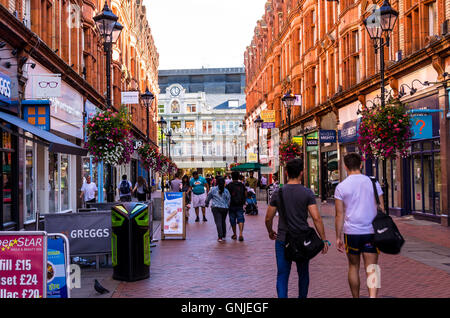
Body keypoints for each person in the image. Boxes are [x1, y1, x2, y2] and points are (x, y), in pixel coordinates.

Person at [265, 158, 329, 298]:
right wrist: (323, 239)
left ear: (286, 173)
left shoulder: (278, 193)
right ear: (302, 172)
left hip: (283, 239)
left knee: (282, 274)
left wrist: (270, 231)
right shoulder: (307, 193)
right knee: (303, 273)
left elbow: (268, 217)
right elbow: (316, 218)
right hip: (302, 239)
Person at [334, 153, 383, 298]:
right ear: (361, 165)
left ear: (345, 167)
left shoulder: (341, 187)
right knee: (372, 268)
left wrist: (338, 236)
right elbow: (382, 208)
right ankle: (373, 297)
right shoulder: (374, 183)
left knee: (353, 266)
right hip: (371, 231)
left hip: (352, 232)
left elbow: (339, 214)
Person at [205, 176, 231, 242]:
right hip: (224, 208)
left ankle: (220, 236)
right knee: (223, 221)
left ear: (216, 182)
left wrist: (207, 203)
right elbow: (229, 199)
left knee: (218, 222)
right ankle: (224, 234)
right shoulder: (226, 191)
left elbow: (208, 197)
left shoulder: (213, 189)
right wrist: (227, 206)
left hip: (216, 208)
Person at [226, 171, 247, 241]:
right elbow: (245, 193)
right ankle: (241, 233)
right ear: (238, 177)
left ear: (232, 177)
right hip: (240, 204)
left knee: (232, 219)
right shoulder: (241, 185)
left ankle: (235, 234)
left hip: (231, 204)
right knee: (240, 218)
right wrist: (244, 200)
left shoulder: (229, 185)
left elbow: (226, 195)